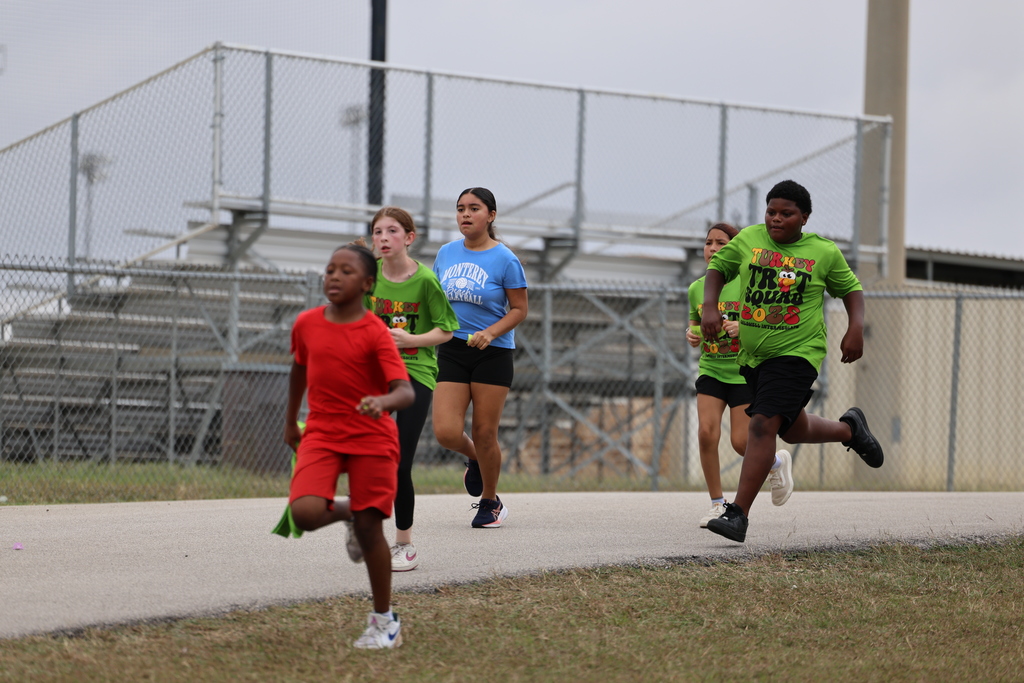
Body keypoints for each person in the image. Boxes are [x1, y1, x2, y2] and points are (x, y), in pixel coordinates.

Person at [700, 180, 883, 543]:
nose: (776, 219)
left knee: (761, 426)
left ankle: (737, 515)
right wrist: (709, 305)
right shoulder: (749, 239)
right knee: (791, 428)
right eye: (771, 212)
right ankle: (850, 429)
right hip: (753, 357)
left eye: (786, 214)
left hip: (797, 353)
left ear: (805, 217)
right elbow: (718, 268)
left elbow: (851, 290)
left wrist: (856, 327)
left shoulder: (822, 252)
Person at [283, 242, 415, 649]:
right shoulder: (306, 323)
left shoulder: (375, 330)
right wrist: (290, 421)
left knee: (370, 526)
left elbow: (405, 392)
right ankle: (347, 512)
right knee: (303, 513)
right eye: (329, 270)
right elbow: (299, 370)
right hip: (322, 431)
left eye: (345, 271)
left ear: (368, 284)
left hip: (371, 435)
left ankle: (384, 620)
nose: (334, 277)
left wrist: (383, 402)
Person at [367, 207, 460, 571]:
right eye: (378, 232)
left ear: (409, 237)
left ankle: (403, 545)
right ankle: (364, 520)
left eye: (392, 231)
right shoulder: (368, 277)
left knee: (399, 461)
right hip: (375, 376)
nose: (384, 237)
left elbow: (447, 330)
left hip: (415, 374)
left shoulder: (424, 281)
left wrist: (410, 340)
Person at [686, 223, 794, 529]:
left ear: (735, 248)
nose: (713, 248)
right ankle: (717, 504)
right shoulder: (697, 287)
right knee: (707, 433)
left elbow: (771, 320)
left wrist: (742, 327)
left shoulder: (750, 282)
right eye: (708, 242)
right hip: (712, 369)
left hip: (744, 371)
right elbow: (696, 323)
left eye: (721, 243)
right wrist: (692, 334)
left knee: (740, 442)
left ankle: (775, 462)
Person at [431, 187, 528, 528]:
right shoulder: (446, 253)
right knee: (445, 431)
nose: (466, 215)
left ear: (491, 215)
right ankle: (474, 459)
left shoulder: (505, 259)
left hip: (493, 351)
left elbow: (520, 309)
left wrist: (491, 332)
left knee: (485, 431)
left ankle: (490, 501)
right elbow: (435, 302)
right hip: (454, 349)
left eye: (474, 208)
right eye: (460, 209)